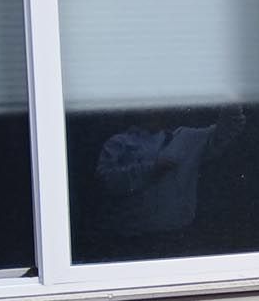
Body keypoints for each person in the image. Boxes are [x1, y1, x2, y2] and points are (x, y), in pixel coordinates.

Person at [94, 104, 246, 247]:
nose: (152, 111)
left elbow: (227, 130)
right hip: (134, 240)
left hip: (178, 237)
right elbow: (105, 182)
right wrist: (152, 169)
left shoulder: (186, 138)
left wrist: (230, 100)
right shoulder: (118, 142)